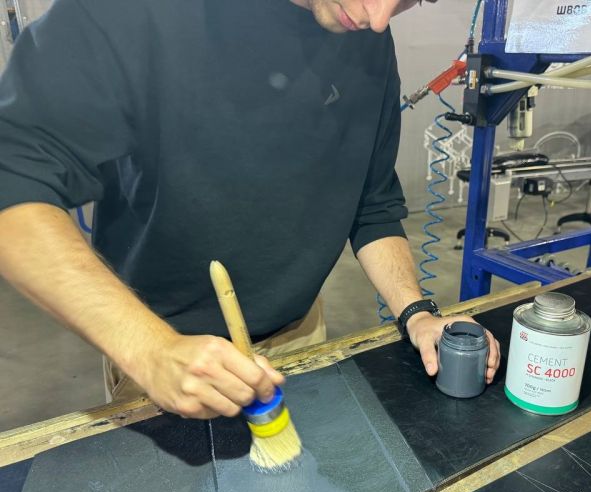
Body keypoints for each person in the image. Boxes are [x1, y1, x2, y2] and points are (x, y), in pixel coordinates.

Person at [0, 0, 500, 421]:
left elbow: (372, 202)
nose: (379, 16)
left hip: (300, 335)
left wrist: (416, 313)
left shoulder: (363, 33)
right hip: (165, 350)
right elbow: (13, 185)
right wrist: (150, 350)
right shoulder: (136, 12)